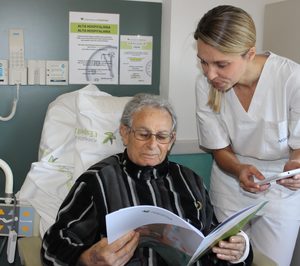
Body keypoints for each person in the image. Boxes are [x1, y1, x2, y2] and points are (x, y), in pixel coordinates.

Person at [41, 93, 252, 266]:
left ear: (171, 141)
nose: (152, 144)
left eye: (161, 136)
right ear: (125, 133)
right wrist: (88, 258)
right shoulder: (98, 181)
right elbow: (54, 244)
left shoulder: (190, 181)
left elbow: (213, 240)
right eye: (143, 134)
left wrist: (240, 250)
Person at [194, 5, 300, 266]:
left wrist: (296, 167)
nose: (210, 74)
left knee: (270, 262)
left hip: (279, 188)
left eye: (221, 64)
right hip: (231, 181)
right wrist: (239, 169)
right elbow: (219, 149)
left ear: (250, 53)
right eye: (203, 61)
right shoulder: (205, 84)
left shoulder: (291, 80)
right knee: (227, 261)